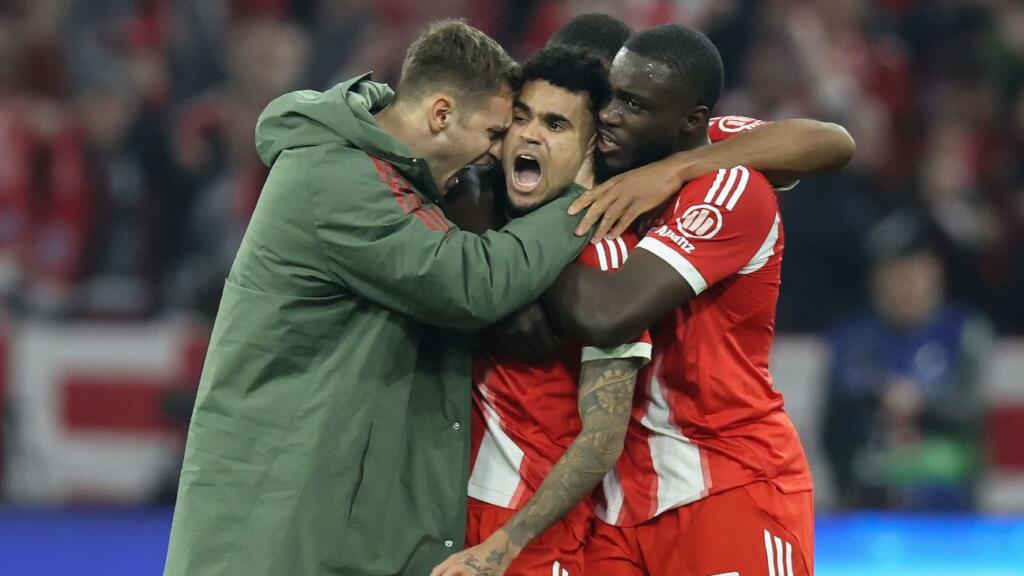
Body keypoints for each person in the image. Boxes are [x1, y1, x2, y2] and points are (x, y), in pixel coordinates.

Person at [163, 20, 593, 576]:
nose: (495, 153)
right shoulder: (335, 176)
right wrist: (580, 200)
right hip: (274, 527)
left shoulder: (385, 170)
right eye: (491, 133)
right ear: (440, 115)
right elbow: (471, 285)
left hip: (323, 514)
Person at [542, 25, 817, 575]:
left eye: (630, 102)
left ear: (689, 122)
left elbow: (606, 314)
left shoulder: (728, 184)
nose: (609, 115)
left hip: (726, 483)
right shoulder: (610, 159)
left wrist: (527, 233)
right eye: (605, 97)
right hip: (614, 500)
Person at [823, 212, 988, 511]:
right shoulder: (852, 337)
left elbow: (971, 411)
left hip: (949, 509)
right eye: (897, 275)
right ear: (877, 280)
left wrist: (921, 404)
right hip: (867, 503)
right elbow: (834, 421)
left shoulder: (963, 331)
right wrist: (879, 397)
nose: (909, 286)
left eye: (917, 274)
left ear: (935, 275)